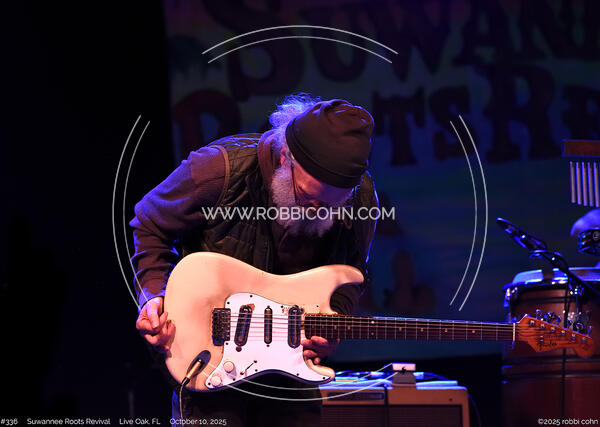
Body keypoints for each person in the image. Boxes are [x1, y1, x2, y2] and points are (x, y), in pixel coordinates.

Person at [130, 94, 378, 426]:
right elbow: (150, 223)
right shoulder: (219, 169)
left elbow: (351, 273)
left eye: (331, 205)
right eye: (308, 198)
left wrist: (333, 322)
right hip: (210, 354)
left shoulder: (361, 199)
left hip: (290, 371)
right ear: (285, 157)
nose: (317, 212)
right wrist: (154, 295)